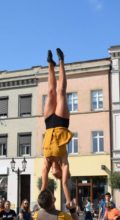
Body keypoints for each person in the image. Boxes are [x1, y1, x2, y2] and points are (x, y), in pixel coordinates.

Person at [41, 48, 73, 207]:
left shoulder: (47, 161)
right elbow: (65, 185)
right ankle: (61, 61)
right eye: (57, 175)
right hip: (60, 124)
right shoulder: (63, 160)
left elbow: (43, 179)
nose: (53, 174)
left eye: (52, 174)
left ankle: (50, 64)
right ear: (60, 171)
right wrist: (69, 202)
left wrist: (42, 193)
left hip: (48, 126)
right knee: (61, 92)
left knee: (50, 92)